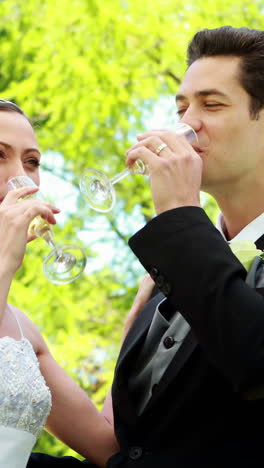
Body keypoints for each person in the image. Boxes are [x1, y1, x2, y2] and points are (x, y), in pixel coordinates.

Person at [28, 25, 264, 468]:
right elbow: (131, 451)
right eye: (181, 107)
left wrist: (178, 214)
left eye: (211, 104)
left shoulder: (180, 249)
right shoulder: (164, 279)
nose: (186, 124)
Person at [0, 99, 154, 468]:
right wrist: (4, 262)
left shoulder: (22, 330)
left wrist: (135, 329)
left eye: (31, 162)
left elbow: (108, 449)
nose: (18, 177)